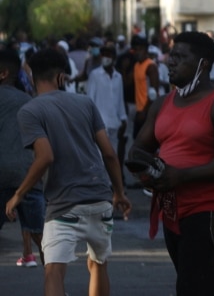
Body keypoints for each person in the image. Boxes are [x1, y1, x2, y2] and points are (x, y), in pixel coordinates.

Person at [129, 31, 214, 295]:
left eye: (180, 57)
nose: (171, 62)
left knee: (194, 286)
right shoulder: (162, 103)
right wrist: (145, 169)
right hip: (172, 208)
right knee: (193, 281)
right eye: (172, 55)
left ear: (203, 64)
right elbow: (139, 148)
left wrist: (180, 175)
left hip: (211, 207)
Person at [4, 49, 131, 296]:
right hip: (99, 200)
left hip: (63, 206)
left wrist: (19, 194)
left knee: (53, 272)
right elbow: (109, 154)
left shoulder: (30, 111)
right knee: (98, 265)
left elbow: (45, 157)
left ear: (32, 77)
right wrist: (119, 193)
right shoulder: (85, 103)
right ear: (62, 78)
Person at [0, 50, 45, 267]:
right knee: (41, 238)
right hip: (28, 177)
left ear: (3, 73)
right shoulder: (29, 101)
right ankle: (55, 286)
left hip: (1, 176)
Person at [86, 46, 128, 185]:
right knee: (99, 155)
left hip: (114, 122)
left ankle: (112, 185)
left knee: (113, 155)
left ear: (114, 58)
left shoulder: (118, 77)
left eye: (108, 55)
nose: (105, 58)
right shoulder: (95, 75)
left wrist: (123, 118)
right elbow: (90, 98)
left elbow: (119, 99)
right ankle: (99, 185)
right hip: (99, 123)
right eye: (103, 55)